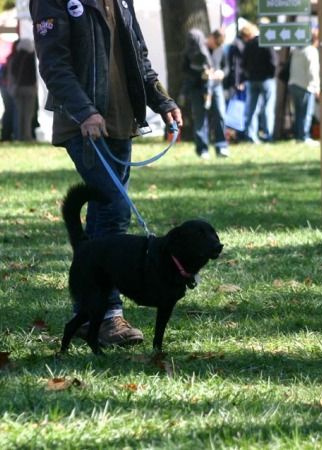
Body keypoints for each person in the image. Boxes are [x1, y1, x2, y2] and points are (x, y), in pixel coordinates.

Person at [31, 0, 182, 347]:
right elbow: (54, 64)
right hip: (84, 125)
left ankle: (90, 313)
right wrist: (84, 111)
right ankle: (109, 314)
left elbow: (138, 55)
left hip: (120, 121)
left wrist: (163, 101)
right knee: (114, 209)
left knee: (106, 215)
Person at [183, 29, 229, 159]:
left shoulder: (220, 49)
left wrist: (222, 73)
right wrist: (200, 74)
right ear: (211, 38)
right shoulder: (194, 48)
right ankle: (202, 149)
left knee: (220, 114)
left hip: (216, 87)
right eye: (216, 43)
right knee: (200, 118)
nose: (216, 46)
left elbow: (226, 67)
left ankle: (221, 146)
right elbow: (185, 69)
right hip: (197, 88)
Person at [242, 23, 277, 143]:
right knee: (268, 107)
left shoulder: (248, 45)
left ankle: (251, 135)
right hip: (266, 78)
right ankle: (268, 134)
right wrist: (272, 74)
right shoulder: (265, 42)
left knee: (251, 108)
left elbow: (243, 63)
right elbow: (273, 61)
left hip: (252, 79)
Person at [288, 30, 320, 143]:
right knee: (306, 113)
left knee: (298, 113)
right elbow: (313, 71)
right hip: (306, 86)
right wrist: (316, 87)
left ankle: (298, 136)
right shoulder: (312, 51)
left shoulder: (296, 50)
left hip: (293, 84)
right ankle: (304, 136)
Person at [10, 39, 38, 141]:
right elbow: (35, 74)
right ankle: (27, 136)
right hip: (30, 88)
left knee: (19, 113)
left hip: (18, 88)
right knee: (28, 114)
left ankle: (18, 135)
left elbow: (12, 73)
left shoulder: (15, 57)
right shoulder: (31, 57)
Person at [0, 40, 19, 141]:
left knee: (8, 110)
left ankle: (6, 134)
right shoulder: (15, 58)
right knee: (11, 110)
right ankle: (7, 134)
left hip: (5, 87)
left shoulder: (10, 57)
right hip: (9, 87)